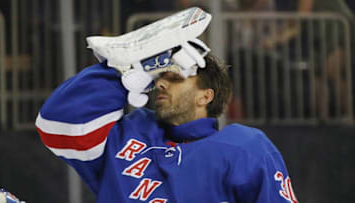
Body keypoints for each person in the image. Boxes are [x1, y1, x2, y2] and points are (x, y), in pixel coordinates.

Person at [35, 8, 297, 203]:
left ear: (205, 96)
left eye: (174, 77)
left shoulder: (245, 148)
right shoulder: (131, 131)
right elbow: (57, 125)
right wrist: (122, 71)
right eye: (157, 77)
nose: (160, 84)